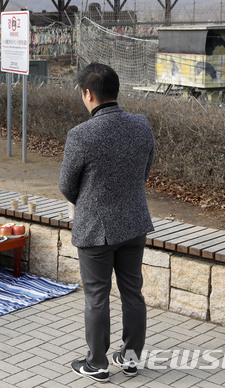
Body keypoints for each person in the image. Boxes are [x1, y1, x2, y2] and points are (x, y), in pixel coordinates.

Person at [58, 63, 155, 382]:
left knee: (97, 295)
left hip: (96, 228)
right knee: (132, 292)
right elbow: (145, 169)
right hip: (134, 223)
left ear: (88, 94)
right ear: (116, 90)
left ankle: (97, 363)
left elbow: (67, 185)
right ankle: (130, 359)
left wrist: (89, 199)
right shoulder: (141, 124)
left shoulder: (81, 134)